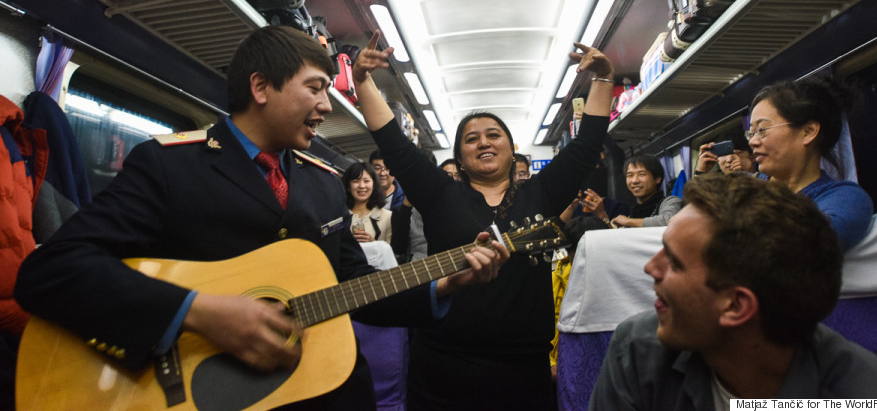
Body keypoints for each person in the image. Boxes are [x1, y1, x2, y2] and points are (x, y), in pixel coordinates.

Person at [14, 26, 507, 411]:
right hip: (205, 389)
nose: (323, 105)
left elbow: (354, 284)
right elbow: (51, 272)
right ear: (261, 86)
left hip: (323, 389)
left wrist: (441, 287)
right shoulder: (169, 166)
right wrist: (197, 311)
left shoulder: (320, 181)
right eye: (315, 88)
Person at [352, 31, 615, 410]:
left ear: (512, 148)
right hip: (443, 365)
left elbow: (587, 143)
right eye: (472, 139)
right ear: (460, 157)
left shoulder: (540, 192)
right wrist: (361, 80)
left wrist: (604, 79)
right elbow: (394, 143)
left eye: (494, 134)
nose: (484, 142)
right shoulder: (440, 193)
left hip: (524, 368)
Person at [590, 173, 877, 409]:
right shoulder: (636, 350)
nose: (650, 268)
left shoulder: (866, 395)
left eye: (674, 261)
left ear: (736, 306)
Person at [748, 77, 873, 251]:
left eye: (762, 130)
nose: (752, 141)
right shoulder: (744, 187)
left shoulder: (845, 199)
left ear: (808, 132)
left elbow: (809, 246)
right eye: (751, 133)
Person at [611, 154, 682, 228]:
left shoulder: (670, 202)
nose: (635, 181)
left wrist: (628, 221)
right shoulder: (633, 213)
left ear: (657, 179)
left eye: (641, 174)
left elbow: (669, 220)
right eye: (630, 175)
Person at [343, 161, 391, 243]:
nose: (362, 186)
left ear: (374, 185)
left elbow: (392, 252)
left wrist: (373, 243)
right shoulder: (339, 216)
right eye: (356, 181)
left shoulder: (388, 217)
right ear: (348, 186)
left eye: (366, 181)